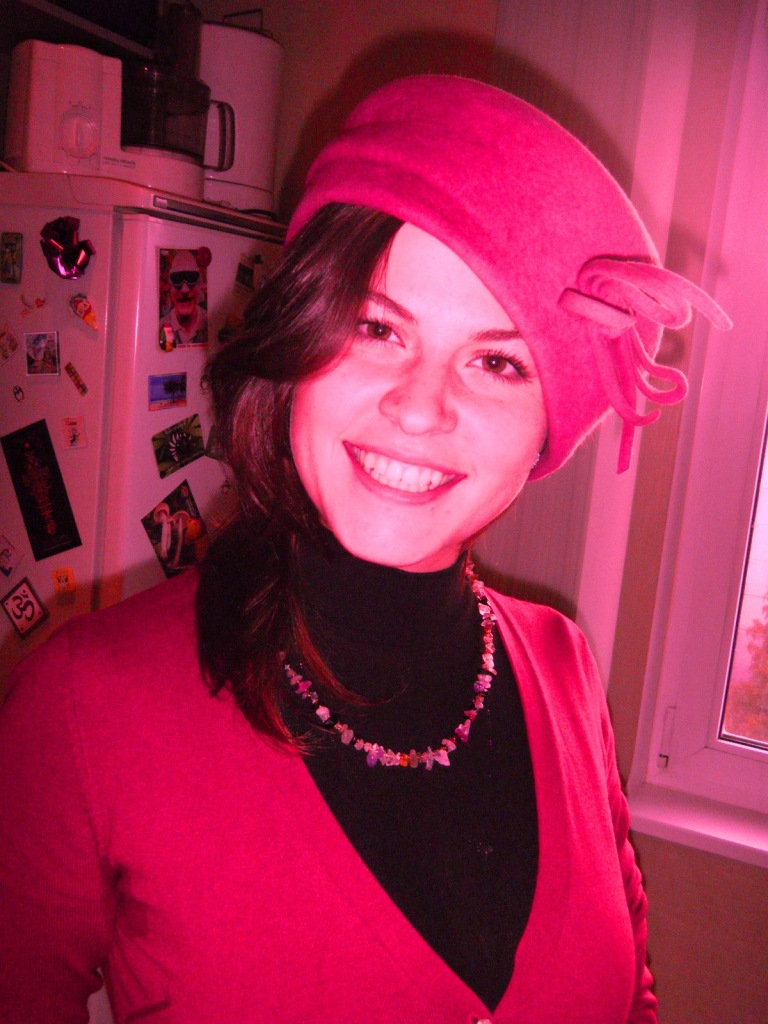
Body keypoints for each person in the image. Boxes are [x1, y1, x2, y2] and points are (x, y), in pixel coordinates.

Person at [0, 76, 729, 1024]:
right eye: (375, 328)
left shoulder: (567, 668)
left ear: (550, 427)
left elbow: (629, 997)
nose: (420, 409)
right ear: (298, 340)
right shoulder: (85, 706)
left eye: (497, 361)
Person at [158, 248, 208, 348]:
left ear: (199, 285)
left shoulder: (209, 323)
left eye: (191, 279)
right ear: (170, 288)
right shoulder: (160, 327)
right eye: (177, 280)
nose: (185, 290)